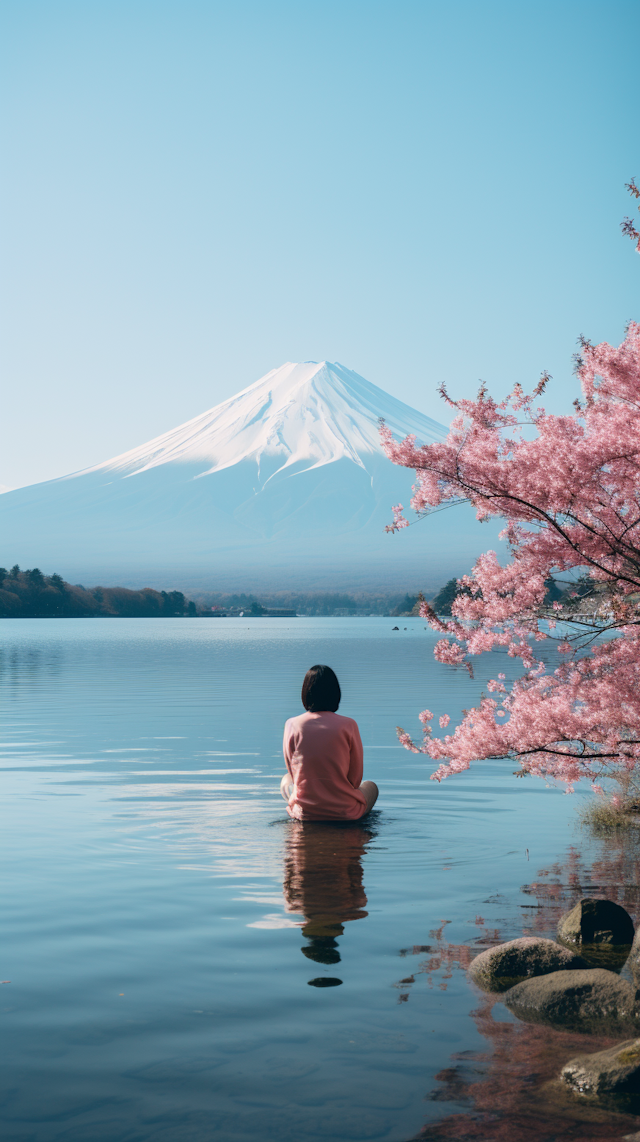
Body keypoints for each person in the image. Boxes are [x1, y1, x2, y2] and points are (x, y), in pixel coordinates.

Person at [280, 664, 378, 821]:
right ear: (335, 694)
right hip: (344, 812)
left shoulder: (291, 724)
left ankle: (301, 806)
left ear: (306, 693)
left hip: (306, 812)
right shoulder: (348, 725)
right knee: (371, 786)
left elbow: (293, 772)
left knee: (286, 779)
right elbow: (355, 780)